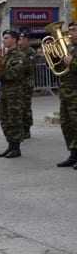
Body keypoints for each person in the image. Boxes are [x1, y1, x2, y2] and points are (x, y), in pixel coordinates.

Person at [0, 30, 27, 158]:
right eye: (3, 38)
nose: (3, 40)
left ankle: (16, 148)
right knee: (4, 119)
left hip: (15, 93)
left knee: (14, 120)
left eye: (6, 38)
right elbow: (2, 75)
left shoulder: (19, 56)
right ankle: (10, 145)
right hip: (6, 92)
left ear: (15, 40)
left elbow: (14, 74)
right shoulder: (6, 56)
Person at [56, 22, 77, 169]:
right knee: (66, 124)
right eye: (69, 30)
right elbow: (59, 69)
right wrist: (54, 58)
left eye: (74, 30)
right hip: (66, 93)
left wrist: (73, 62)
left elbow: (72, 65)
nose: (70, 33)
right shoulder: (68, 48)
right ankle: (73, 154)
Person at [19, 30, 36, 139]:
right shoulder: (19, 51)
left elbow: (28, 67)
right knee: (20, 107)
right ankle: (21, 128)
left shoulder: (31, 52)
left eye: (22, 39)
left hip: (27, 83)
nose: (20, 41)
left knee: (26, 107)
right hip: (19, 83)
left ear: (27, 40)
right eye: (20, 39)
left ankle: (27, 129)